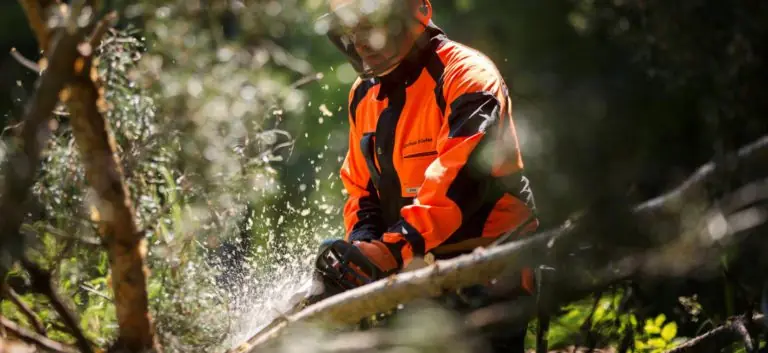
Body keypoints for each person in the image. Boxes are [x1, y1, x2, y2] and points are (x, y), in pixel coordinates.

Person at [318, 0, 540, 350]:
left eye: (368, 26)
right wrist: (364, 243)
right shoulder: (364, 95)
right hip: (412, 266)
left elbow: (462, 178)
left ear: (412, 14)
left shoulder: (467, 75)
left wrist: (394, 249)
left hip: (488, 263)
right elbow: (361, 189)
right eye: (350, 30)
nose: (359, 42)